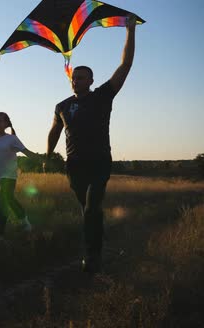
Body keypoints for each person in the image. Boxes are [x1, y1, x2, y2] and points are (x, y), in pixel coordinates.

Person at [45, 14, 138, 273]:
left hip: (99, 161)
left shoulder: (102, 97)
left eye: (83, 77)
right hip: (74, 165)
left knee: (92, 207)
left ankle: (92, 256)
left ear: (91, 81)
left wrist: (130, 31)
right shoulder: (62, 106)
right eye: (75, 77)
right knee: (87, 209)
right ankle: (96, 238)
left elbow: (125, 65)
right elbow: (54, 131)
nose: (78, 80)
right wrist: (48, 154)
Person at [0, 112, 40, 241]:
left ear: (6, 124)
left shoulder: (12, 139)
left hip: (9, 175)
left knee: (1, 202)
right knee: (9, 200)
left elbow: (26, 152)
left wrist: (41, 158)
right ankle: (25, 223)